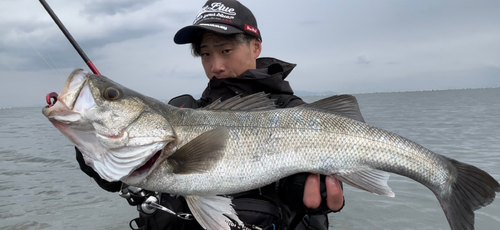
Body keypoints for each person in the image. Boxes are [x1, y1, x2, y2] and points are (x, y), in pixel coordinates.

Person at [76, 0, 345, 229]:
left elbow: (318, 198)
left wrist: (306, 192)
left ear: (256, 47)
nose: (216, 66)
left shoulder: (293, 112)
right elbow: (135, 183)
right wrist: (99, 156)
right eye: (205, 54)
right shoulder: (184, 110)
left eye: (226, 51)